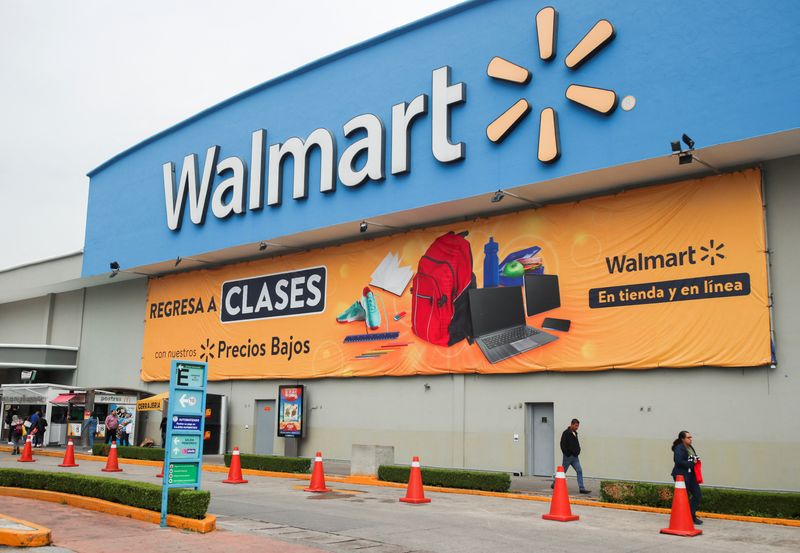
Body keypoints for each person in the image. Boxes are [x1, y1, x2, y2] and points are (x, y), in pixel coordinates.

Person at [671, 430, 703, 525]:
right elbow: (678, 461)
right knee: (684, 497)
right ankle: (687, 517)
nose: (691, 439)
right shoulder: (679, 448)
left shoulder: (690, 447)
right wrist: (691, 463)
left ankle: (691, 514)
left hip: (691, 475)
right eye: (688, 437)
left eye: (691, 437)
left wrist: (695, 459)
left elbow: (691, 458)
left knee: (697, 495)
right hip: (681, 475)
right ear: (683, 439)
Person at [552, 418, 591, 494]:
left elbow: (576, 443)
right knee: (563, 472)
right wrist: (567, 453)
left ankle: (582, 488)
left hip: (575, 457)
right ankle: (554, 484)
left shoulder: (575, 433)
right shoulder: (566, 433)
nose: (577, 427)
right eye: (576, 425)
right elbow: (562, 444)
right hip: (568, 457)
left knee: (579, 471)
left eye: (578, 426)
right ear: (572, 424)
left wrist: (578, 450)